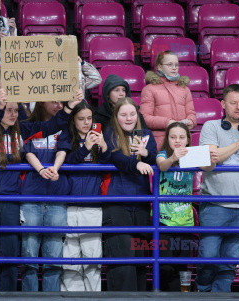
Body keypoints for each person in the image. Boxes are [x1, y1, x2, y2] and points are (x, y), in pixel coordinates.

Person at [0, 89, 84, 291]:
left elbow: (53, 125)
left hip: (11, 197)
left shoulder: (23, 131)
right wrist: (0, 106)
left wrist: (69, 106)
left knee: (9, 249)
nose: (13, 114)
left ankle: (6, 294)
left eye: (16, 110)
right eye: (8, 110)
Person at [196, 84, 239, 292]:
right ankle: (202, 293)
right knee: (208, 258)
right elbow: (209, 161)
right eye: (233, 103)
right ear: (223, 104)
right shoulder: (211, 127)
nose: (238, 107)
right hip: (214, 205)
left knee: (228, 264)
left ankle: (221, 297)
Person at [101, 97, 157, 291]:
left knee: (141, 260)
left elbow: (155, 158)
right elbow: (116, 158)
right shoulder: (109, 133)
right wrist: (137, 163)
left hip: (141, 202)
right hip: (116, 203)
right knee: (121, 261)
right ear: (116, 116)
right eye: (123, 114)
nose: (128, 118)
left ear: (137, 114)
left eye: (132, 114)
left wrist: (146, 154)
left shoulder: (146, 134)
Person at [156, 122, 217, 291]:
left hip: (185, 221)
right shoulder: (162, 154)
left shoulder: (192, 155)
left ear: (188, 139)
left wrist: (212, 161)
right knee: (164, 267)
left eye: (182, 137)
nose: (177, 141)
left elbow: (209, 168)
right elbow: (162, 165)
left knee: (181, 267)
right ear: (167, 139)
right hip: (164, 222)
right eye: (173, 137)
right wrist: (173, 158)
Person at [57, 102, 109, 292]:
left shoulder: (98, 138)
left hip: (92, 204)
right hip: (70, 203)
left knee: (92, 256)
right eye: (81, 119)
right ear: (73, 120)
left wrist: (103, 147)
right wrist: (85, 147)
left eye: (89, 118)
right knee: (70, 256)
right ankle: (71, 295)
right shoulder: (66, 137)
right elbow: (67, 161)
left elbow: (108, 163)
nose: (86, 123)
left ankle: (93, 295)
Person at [20, 101, 71, 292]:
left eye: (61, 101)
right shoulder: (27, 125)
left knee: (54, 254)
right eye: (54, 101)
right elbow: (27, 152)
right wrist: (41, 169)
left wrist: (54, 169)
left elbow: (62, 150)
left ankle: (52, 296)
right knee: (29, 252)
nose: (58, 105)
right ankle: (29, 297)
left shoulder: (64, 126)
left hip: (57, 195)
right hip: (31, 195)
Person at [140, 50, 197, 149]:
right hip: (159, 143)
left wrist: (191, 121)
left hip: (182, 142)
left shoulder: (185, 89)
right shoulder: (149, 89)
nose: (174, 68)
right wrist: (168, 123)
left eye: (176, 65)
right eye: (170, 64)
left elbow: (191, 113)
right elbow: (144, 118)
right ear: (159, 67)